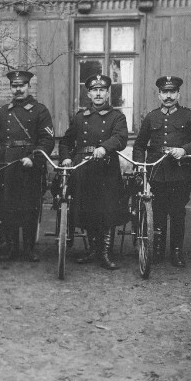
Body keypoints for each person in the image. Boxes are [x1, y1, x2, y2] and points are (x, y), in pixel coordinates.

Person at [132, 76, 191, 267]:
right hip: (156, 173)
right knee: (157, 212)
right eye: (165, 92)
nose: (168, 96)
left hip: (180, 173)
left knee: (177, 213)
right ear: (159, 95)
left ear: (178, 94)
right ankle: (156, 249)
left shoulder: (188, 115)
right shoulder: (151, 117)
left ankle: (176, 251)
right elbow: (139, 145)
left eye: (172, 92)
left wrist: (184, 150)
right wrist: (141, 166)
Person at [0, 70, 54, 262]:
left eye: (22, 85)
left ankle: (30, 249)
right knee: (7, 207)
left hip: (28, 165)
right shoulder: (3, 111)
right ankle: (12, 247)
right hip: (6, 163)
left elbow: (47, 140)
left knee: (29, 207)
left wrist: (34, 157)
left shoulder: (40, 110)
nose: (18, 89)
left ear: (29, 87)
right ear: (11, 88)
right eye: (15, 86)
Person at [59, 74, 129, 270]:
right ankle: (92, 250)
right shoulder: (80, 117)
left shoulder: (117, 116)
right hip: (83, 167)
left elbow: (120, 137)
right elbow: (65, 141)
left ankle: (105, 253)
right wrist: (65, 157)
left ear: (108, 93)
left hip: (106, 167)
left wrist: (105, 147)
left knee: (107, 209)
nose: (98, 94)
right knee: (87, 208)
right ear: (88, 94)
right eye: (94, 90)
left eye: (102, 90)